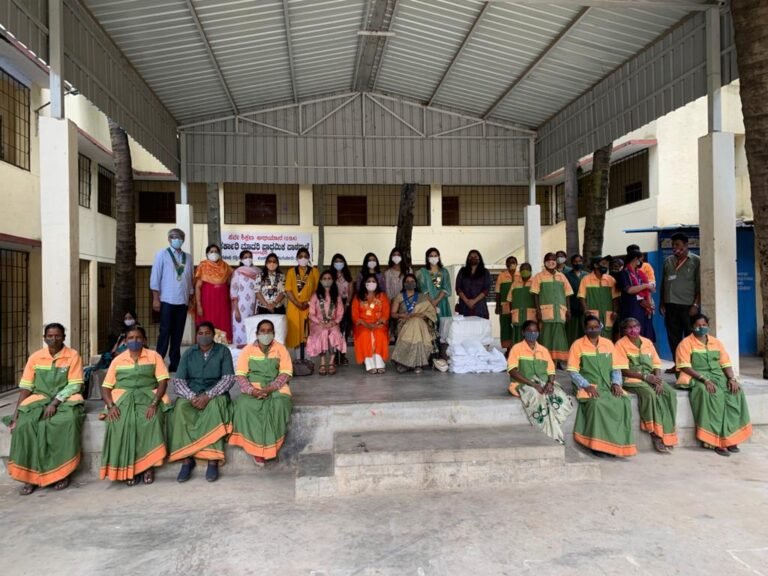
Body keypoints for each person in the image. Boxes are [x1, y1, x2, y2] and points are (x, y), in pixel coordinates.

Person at [7, 323, 85, 495]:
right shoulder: (35, 357)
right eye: (49, 336)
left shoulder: (72, 356)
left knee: (65, 422)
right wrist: (16, 414)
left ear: (64, 337)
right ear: (44, 338)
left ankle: (61, 473)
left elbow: (75, 384)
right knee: (25, 425)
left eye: (57, 336)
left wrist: (55, 403)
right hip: (40, 397)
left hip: (64, 398)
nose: (53, 339)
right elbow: (26, 386)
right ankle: (29, 476)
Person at [100, 326, 170, 485]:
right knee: (119, 422)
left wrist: (154, 404)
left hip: (149, 396)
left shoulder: (154, 356)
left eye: (138, 338)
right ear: (125, 341)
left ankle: (148, 467)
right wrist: (111, 406)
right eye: (130, 338)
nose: (135, 341)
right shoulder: (118, 360)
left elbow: (163, 381)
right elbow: (106, 387)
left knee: (151, 420)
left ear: (145, 340)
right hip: (123, 398)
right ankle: (128, 468)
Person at [168, 322, 236, 483]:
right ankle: (187, 460)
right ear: (196, 335)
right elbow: (178, 381)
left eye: (207, 333)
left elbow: (228, 378)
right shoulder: (189, 353)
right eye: (200, 333)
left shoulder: (223, 351)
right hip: (192, 394)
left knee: (215, 407)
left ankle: (212, 460)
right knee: (180, 408)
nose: (203, 336)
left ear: (213, 335)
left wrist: (208, 396)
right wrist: (192, 397)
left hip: (216, 394)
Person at [676, 314, 752, 456]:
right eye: (698, 325)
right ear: (692, 327)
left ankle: (730, 438)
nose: (701, 327)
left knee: (735, 392)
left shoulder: (716, 342)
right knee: (711, 394)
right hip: (697, 377)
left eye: (704, 325)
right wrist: (704, 380)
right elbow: (685, 366)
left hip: (718, 376)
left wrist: (731, 379)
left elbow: (726, 363)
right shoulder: (685, 343)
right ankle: (714, 441)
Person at [568, 315, 636, 458]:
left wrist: (616, 383)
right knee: (597, 404)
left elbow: (616, 367)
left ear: (601, 327)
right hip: (586, 385)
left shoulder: (608, 344)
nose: (593, 330)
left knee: (622, 402)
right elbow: (573, 371)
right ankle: (597, 446)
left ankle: (614, 445)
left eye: (596, 327)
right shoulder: (577, 345)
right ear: (585, 329)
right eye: (590, 327)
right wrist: (586, 386)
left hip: (607, 385)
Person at [229, 320, 293, 465]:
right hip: (254, 386)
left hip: (276, 387)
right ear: (257, 334)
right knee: (243, 406)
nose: (266, 334)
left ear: (274, 333)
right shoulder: (247, 350)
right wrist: (252, 391)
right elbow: (240, 375)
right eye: (262, 331)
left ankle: (271, 447)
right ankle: (256, 451)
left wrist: (271, 388)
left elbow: (285, 374)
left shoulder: (281, 349)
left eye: (269, 331)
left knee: (280, 404)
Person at [614, 317, 677, 453]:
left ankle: (668, 432)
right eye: (629, 328)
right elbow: (623, 369)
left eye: (636, 326)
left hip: (651, 377)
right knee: (649, 394)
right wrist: (645, 377)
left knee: (670, 393)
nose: (633, 330)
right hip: (632, 379)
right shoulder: (620, 344)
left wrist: (659, 380)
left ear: (640, 328)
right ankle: (654, 433)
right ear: (624, 330)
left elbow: (656, 364)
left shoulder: (647, 342)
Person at [507, 320, 574, 444]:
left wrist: (550, 383)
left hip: (543, 382)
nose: (532, 333)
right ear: (523, 332)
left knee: (558, 397)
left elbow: (551, 371)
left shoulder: (543, 350)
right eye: (529, 331)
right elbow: (512, 371)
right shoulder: (517, 348)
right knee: (538, 398)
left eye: (535, 331)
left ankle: (552, 425)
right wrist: (533, 385)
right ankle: (553, 436)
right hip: (524, 383)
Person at [150, 227, 194, 372]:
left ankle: (175, 362)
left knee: (178, 332)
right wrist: (155, 299)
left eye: (180, 237)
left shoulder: (188, 257)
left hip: (182, 300)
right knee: (165, 331)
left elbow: (189, 278)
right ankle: (159, 360)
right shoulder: (162, 254)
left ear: (183, 240)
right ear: (169, 239)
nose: (177, 239)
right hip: (167, 299)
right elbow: (155, 277)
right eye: (174, 237)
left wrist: (190, 297)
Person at [660, 231, 701, 372]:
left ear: (686, 245)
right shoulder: (668, 261)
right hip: (671, 305)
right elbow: (664, 284)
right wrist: (662, 303)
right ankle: (678, 364)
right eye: (673, 244)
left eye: (677, 244)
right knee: (673, 337)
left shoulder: (696, 261)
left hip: (688, 306)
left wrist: (696, 304)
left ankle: (691, 365)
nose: (674, 247)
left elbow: (700, 284)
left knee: (690, 336)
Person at [391, 273, 439, 374]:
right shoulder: (399, 297)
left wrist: (421, 314)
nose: (410, 283)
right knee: (414, 323)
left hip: (421, 322)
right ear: (404, 284)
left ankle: (406, 363)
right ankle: (417, 364)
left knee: (416, 322)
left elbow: (432, 311)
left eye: (412, 282)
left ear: (416, 284)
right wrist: (402, 315)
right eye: (407, 282)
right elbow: (393, 314)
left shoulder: (423, 296)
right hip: (404, 322)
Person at [531, 253, 573, 364]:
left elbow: (567, 294)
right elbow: (535, 294)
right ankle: (545, 359)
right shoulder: (538, 276)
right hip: (545, 313)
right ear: (544, 262)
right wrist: (538, 311)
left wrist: (568, 310)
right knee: (546, 337)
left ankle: (557, 361)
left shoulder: (562, 276)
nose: (551, 262)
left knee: (559, 337)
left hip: (560, 312)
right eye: (548, 260)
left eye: (553, 260)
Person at [306, 269, 346, 376]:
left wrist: (334, 322)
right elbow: (311, 313)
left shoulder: (336, 296)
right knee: (323, 333)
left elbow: (340, 313)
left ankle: (332, 361)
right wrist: (320, 323)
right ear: (320, 281)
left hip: (332, 323)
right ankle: (323, 362)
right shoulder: (315, 296)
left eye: (329, 278)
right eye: (324, 279)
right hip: (318, 324)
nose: (327, 280)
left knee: (335, 334)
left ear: (332, 281)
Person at [351, 273, 390, 374]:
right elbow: (355, 315)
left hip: (379, 323)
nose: (371, 283)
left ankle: (379, 362)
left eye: (373, 281)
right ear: (364, 283)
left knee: (379, 334)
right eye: (369, 281)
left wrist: (379, 322)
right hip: (362, 324)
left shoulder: (382, 296)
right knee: (365, 335)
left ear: (377, 283)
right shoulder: (357, 297)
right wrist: (366, 324)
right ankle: (369, 363)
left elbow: (386, 312)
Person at [284, 247, 319, 356]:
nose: (303, 258)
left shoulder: (314, 271)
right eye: (300, 256)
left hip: (308, 307)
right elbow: (288, 290)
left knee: (306, 332)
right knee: (295, 332)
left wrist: (308, 302)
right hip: (294, 307)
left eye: (305, 256)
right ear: (297, 258)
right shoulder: (291, 272)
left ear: (308, 258)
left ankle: (308, 359)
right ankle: (298, 358)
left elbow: (316, 290)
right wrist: (297, 303)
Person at [195, 244, 233, 342]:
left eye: (216, 251)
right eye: (211, 251)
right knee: (208, 325)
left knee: (223, 324)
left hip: (223, 303)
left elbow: (231, 284)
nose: (214, 253)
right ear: (207, 254)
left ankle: (224, 345)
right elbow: (198, 287)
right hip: (208, 303)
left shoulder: (225, 267)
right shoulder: (203, 266)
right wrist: (199, 305)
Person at [617, 249, 656, 340]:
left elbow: (648, 290)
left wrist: (649, 304)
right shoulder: (624, 273)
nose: (641, 262)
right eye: (640, 259)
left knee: (645, 332)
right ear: (635, 259)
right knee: (632, 330)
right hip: (631, 306)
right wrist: (646, 285)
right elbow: (630, 290)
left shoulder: (640, 273)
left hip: (644, 307)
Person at [577, 256, 618, 340]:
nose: (606, 266)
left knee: (607, 337)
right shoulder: (586, 279)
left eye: (607, 264)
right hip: (592, 314)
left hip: (608, 315)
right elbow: (581, 297)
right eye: (603, 264)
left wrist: (615, 311)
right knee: (592, 335)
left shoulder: (611, 279)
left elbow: (615, 298)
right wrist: (585, 311)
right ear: (595, 265)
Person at [230, 250, 259, 347]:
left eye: (250, 257)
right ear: (241, 259)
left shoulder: (258, 272)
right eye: (245, 257)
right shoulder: (237, 272)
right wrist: (236, 310)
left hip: (255, 306)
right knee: (240, 332)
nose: (248, 259)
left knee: (253, 330)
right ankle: (239, 357)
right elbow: (233, 291)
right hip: (240, 307)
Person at [418, 247, 452, 322]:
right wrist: (432, 302)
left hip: (442, 302)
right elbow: (423, 288)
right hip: (428, 302)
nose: (433, 258)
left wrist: (436, 301)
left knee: (444, 326)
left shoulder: (443, 271)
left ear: (439, 257)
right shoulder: (423, 272)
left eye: (435, 255)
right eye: (431, 256)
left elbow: (446, 287)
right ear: (427, 258)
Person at [455, 249, 492, 318]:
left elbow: (486, 289)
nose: (473, 258)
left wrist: (473, 301)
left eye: (475, 256)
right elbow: (458, 288)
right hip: (464, 307)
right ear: (468, 259)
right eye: (471, 257)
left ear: (479, 259)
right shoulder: (462, 271)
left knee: (480, 327)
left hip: (480, 308)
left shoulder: (485, 272)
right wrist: (467, 301)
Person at [331, 253, 353, 365]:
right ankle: (334, 356)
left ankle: (343, 355)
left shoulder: (347, 276)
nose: (338, 263)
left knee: (344, 332)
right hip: (333, 304)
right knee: (335, 331)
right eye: (336, 261)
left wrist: (347, 304)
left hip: (345, 304)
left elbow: (350, 291)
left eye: (340, 261)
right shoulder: (330, 276)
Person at [506, 262, 536, 344]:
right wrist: (511, 312)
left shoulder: (535, 282)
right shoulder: (515, 284)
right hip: (517, 315)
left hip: (531, 316)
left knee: (530, 334)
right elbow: (510, 299)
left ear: (531, 271)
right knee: (517, 337)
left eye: (527, 269)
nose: (525, 271)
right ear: (519, 271)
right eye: (523, 269)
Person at [495, 256, 518, 351]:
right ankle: (508, 349)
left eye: (513, 262)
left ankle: (515, 348)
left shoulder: (520, 275)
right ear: (506, 264)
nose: (511, 264)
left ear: (516, 264)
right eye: (509, 262)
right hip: (505, 307)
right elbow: (497, 292)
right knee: (505, 328)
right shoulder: (502, 276)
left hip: (517, 307)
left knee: (516, 328)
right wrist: (497, 306)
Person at [565, 254, 588, 344]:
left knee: (584, 330)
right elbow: (566, 293)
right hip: (572, 306)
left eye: (579, 261)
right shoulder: (567, 275)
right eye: (575, 262)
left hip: (584, 307)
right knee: (572, 333)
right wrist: (568, 309)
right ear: (572, 263)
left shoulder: (587, 275)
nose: (577, 263)